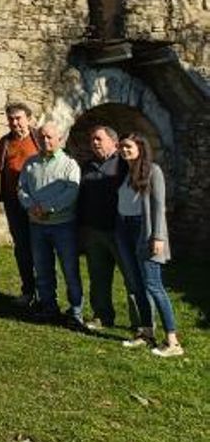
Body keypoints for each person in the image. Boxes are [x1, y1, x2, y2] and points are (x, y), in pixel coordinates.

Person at [115, 134, 183, 357]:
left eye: (129, 147)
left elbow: (158, 206)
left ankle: (172, 341)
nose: (125, 150)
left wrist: (158, 237)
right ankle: (146, 332)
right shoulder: (125, 172)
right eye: (122, 147)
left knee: (153, 285)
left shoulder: (154, 171)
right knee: (136, 285)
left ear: (140, 148)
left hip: (144, 231)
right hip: (124, 229)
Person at [17, 122, 83, 328]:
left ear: (60, 139)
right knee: (43, 268)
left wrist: (48, 208)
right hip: (37, 225)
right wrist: (31, 206)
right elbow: (21, 188)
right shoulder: (30, 163)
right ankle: (48, 307)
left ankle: (76, 311)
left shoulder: (69, 164)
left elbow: (71, 193)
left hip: (63, 225)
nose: (46, 141)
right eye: (42, 137)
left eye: (50, 137)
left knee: (70, 269)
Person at [77, 125, 138, 332]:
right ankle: (102, 316)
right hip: (94, 232)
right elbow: (82, 198)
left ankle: (141, 323)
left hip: (119, 231)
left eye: (99, 139)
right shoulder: (88, 166)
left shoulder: (124, 164)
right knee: (98, 278)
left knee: (132, 278)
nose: (94, 142)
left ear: (114, 142)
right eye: (92, 139)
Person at [0, 103, 43, 308]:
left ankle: (46, 293)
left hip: (38, 203)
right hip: (14, 203)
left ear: (29, 118)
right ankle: (28, 290)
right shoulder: (4, 143)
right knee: (22, 248)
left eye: (19, 118)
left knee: (41, 247)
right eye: (11, 119)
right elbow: (2, 169)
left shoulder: (39, 139)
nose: (15, 123)